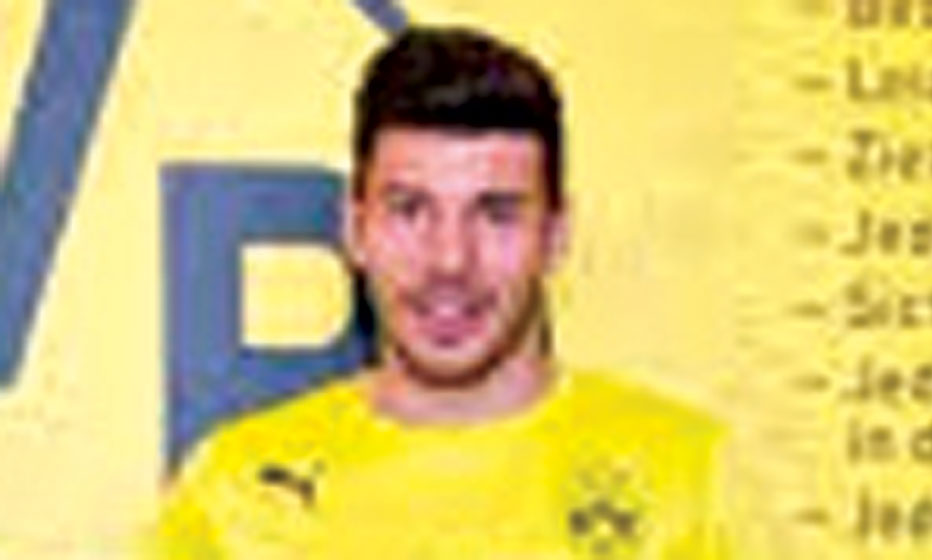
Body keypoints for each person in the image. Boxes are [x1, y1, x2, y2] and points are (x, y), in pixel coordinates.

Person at [150, 25, 730, 559]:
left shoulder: (689, 482)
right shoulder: (234, 495)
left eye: (496, 213)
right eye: (410, 210)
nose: (450, 260)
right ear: (356, 228)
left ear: (555, 236)